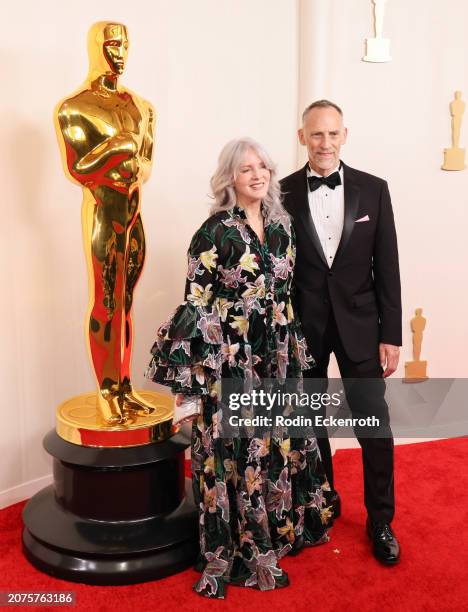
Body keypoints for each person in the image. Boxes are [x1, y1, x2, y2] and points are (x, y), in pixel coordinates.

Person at [145, 138, 331, 598]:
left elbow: (287, 294)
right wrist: (193, 384)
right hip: (231, 358)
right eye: (246, 168)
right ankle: (240, 544)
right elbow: (197, 304)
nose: (257, 174)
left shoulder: (284, 226)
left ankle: (279, 528)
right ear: (230, 177)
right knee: (238, 449)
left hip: (278, 353)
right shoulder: (212, 232)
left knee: (275, 445)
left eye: (263, 166)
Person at [280, 100, 402, 565]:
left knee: (374, 425)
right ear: (301, 137)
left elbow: (386, 265)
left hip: (361, 326)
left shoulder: (374, 189)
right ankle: (322, 504)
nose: (324, 143)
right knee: (310, 426)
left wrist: (390, 333)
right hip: (303, 328)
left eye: (332, 134)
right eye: (316, 135)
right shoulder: (282, 192)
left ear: (344, 136)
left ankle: (381, 520)